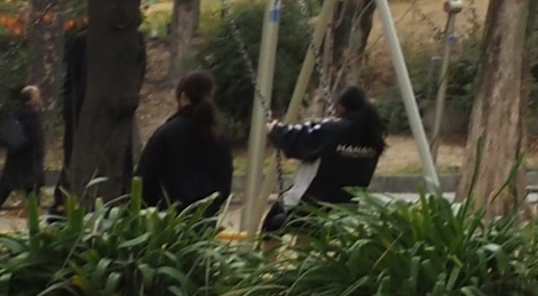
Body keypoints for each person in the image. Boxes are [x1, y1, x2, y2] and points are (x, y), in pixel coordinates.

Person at [262, 85, 387, 222]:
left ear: (341, 107)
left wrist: (275, 130)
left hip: (311, 207)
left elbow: (299, 138)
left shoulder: (334, 130)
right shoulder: (373, 137)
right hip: (345, 211)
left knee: (272, 224)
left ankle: (269, 242)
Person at [136, 68, 234, 213]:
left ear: (182, 96)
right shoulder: (218, 136)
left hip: (166, 223)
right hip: (204, 221)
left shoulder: (166, 134)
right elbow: (224, 184)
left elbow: (145, 179)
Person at [0, 81, 44, 218]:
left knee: (8, 182)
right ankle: (35, 209)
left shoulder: (19, 112)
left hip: (16, 154)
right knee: (31, 184)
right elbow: (33, 136)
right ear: (30, 98)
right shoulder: (30, 115)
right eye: (37, 94)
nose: (39, 97)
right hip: (28, 157)